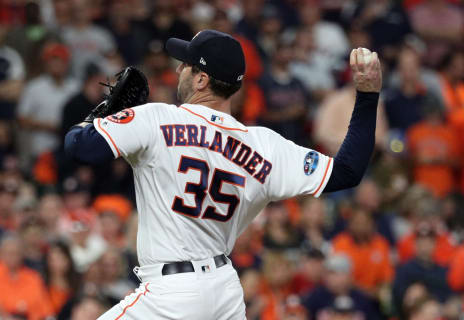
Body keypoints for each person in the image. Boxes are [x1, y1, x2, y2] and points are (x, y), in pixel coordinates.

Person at [64, 30, 382, 319]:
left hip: (172, 292)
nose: (178, 70)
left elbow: (80, 147)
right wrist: (367, 97)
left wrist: (102, 113)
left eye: (186, 65)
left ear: (201, 79)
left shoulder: (157, 118)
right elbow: (347, 172)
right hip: (224, 292)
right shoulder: (265, 145)